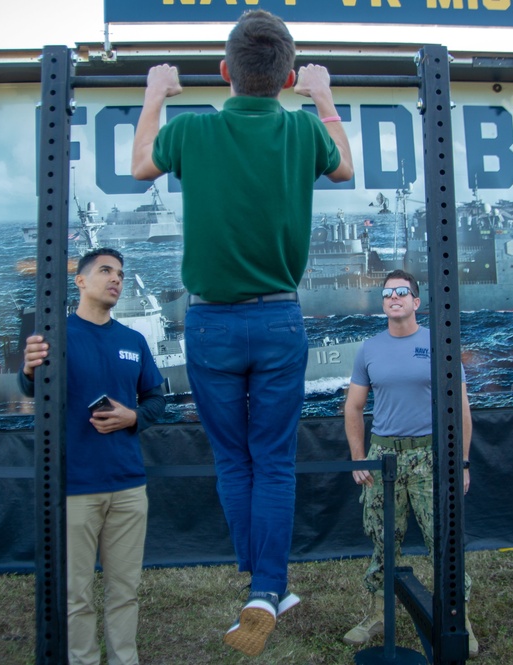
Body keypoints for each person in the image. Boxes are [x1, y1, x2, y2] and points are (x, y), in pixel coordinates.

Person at [130, 8, 353, 658]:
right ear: (286, 78)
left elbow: (142, 162)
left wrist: (155, 93)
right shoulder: (304, 130)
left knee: (233, 459)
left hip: (209, 323)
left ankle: (262, 584)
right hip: (278, 316)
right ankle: (268, 588)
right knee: (275, 459)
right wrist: (324, 94)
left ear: (225, 72)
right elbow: (344, 169)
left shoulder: (194, 132)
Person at [19, 247, 166, 665]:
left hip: (128, 486)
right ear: (80, 281)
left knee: (126, 590)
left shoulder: (133, 341)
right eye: (105, 271)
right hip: (76, 488)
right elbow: (31, 389)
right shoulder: (55, 336)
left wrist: (131, 417)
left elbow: (157, 401)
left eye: (120, 272)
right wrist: (29, 370)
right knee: (75, 593)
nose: (115, 278)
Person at [342, 269, 478, 657]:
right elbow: (353, 407)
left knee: (444, 542)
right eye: (387, 294)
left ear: (416, 302)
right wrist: (357, 458)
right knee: (383, 540)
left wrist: (462, 462)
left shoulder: (441, 344)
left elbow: (461, 408)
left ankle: (458, 620)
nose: (394, 298)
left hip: (430, 457)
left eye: (402, 292)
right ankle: (378, 614)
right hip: (384, 457)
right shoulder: (369, 349)